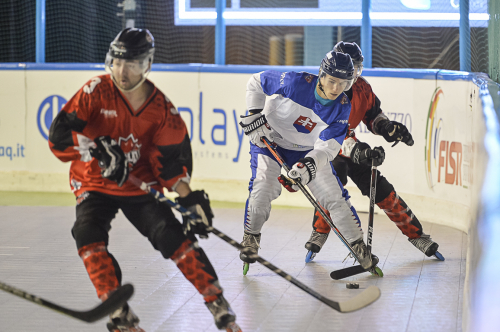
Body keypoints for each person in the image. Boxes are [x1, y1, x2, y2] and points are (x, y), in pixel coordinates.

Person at [48, 28, 242, 332]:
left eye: (133, 64)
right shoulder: (94, 91)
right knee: (86, 232)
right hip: (94, 183)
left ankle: (217, 303)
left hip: (138, 184)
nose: (123, 71)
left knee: (172, 237)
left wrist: (188, 198)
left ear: (148, 64)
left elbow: (171, 165)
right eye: (117, 62)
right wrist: (96, 148)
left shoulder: (162, 109)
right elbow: (60, 136)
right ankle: (117, 309)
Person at [238, 50, 385, 272]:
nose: (336, 89)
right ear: (321, 75)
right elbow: (255, 82)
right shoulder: (294, 82)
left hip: (307, 151)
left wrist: (307, 167)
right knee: (263, 190)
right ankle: (251, 237)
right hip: (269, 141)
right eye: (332, 81)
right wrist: (254, 114)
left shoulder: (343, 106)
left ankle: (358, 247)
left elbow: (328, 147)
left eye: (343, 83)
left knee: (334, 198)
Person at [304, 41, 442, 260]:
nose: (353, 75)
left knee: (380, 186)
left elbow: (373, 114)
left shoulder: (362, 87)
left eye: (357, 68)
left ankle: (417, 235)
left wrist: (388, 127)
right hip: (323, 150)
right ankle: (320, 231)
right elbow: (330, 133)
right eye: (351, 68)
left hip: (349, 147)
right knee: (333, 184)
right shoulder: (326, 91)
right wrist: (358, 150)